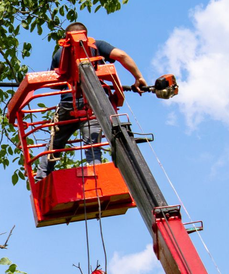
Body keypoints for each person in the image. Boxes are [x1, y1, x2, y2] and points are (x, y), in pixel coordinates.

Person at [34, 22, 147, 181]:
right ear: (86, 35)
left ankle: (41, 178)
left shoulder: (60, 54)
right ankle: (97, 180)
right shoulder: (97, 45)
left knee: (54, 145)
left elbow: (54, 82)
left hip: (68, 106)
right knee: (93, 147)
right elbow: (121, 55)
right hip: (92, 105)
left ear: (66, 38)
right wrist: (138, 77)